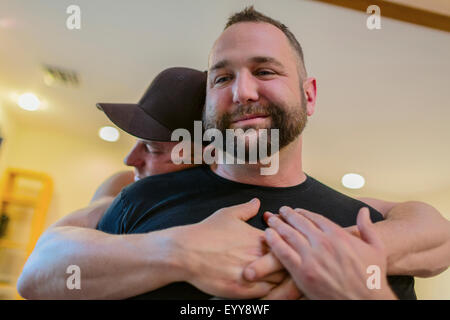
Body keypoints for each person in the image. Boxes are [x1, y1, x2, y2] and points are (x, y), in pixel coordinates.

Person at [18, 8, 450, 300]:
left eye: (264, 71)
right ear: (206, 104)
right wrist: (178, 251)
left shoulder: (363, 228)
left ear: (309, 95)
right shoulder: (139, 201)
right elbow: (39, 276)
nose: (243, 91)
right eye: (222, 79)